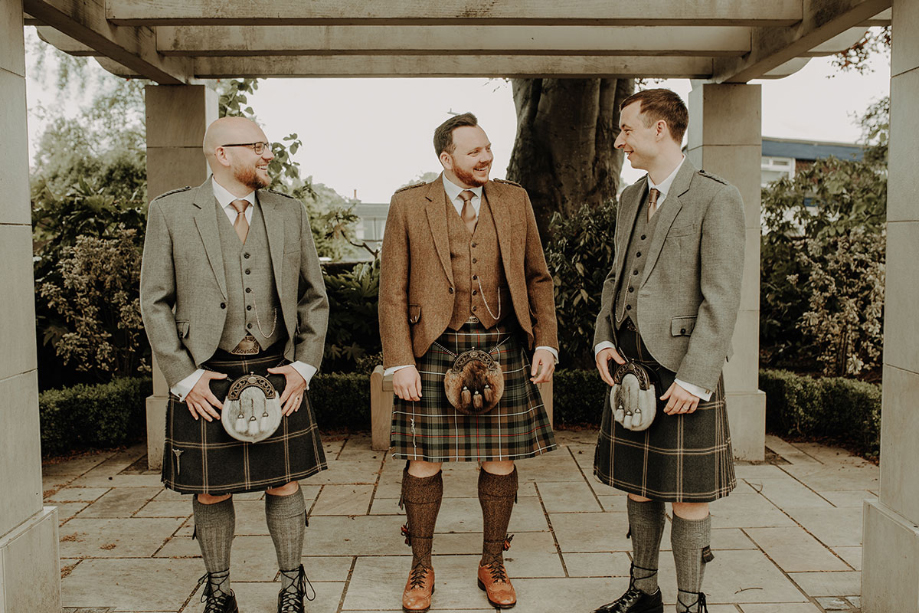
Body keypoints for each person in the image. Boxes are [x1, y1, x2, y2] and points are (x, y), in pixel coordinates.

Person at [140, 117, 329, 613]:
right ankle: (219, 590)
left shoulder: (290, 213)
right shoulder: (173, 212)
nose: (268, 155)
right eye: (259, 147)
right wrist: (183, 377)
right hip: (207, 375)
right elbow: (154, 302)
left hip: (274, 367)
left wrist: (304, 367)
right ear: (223, 153)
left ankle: (291, 585)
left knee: (284, 480)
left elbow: (315, 297)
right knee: (209, 490)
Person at [379, 112, 559, 612]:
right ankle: (421, 566)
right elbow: (391, 291)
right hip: (433, 348)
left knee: (499, 459)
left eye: (487, 148)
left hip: (503, 345)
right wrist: (400, 362)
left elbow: (538, 277)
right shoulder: (409, 204)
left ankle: (492, 562)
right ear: (446, 158)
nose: (486, 157)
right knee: (423, 461)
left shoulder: (513, 198)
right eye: (474, 151)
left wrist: (546, 342)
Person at [591, 89, 745, 613]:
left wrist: (696, 378)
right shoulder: (630, 197)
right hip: (629, 366)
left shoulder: (716, 197)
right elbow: (616, 277)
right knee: (638, 486)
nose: (619, 140)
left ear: (660, 130)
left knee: (687, 495)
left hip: (682, 370)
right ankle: (644, 590)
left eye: (626, 129)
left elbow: (721, 300)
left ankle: (689, 602)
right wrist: (604, 338)